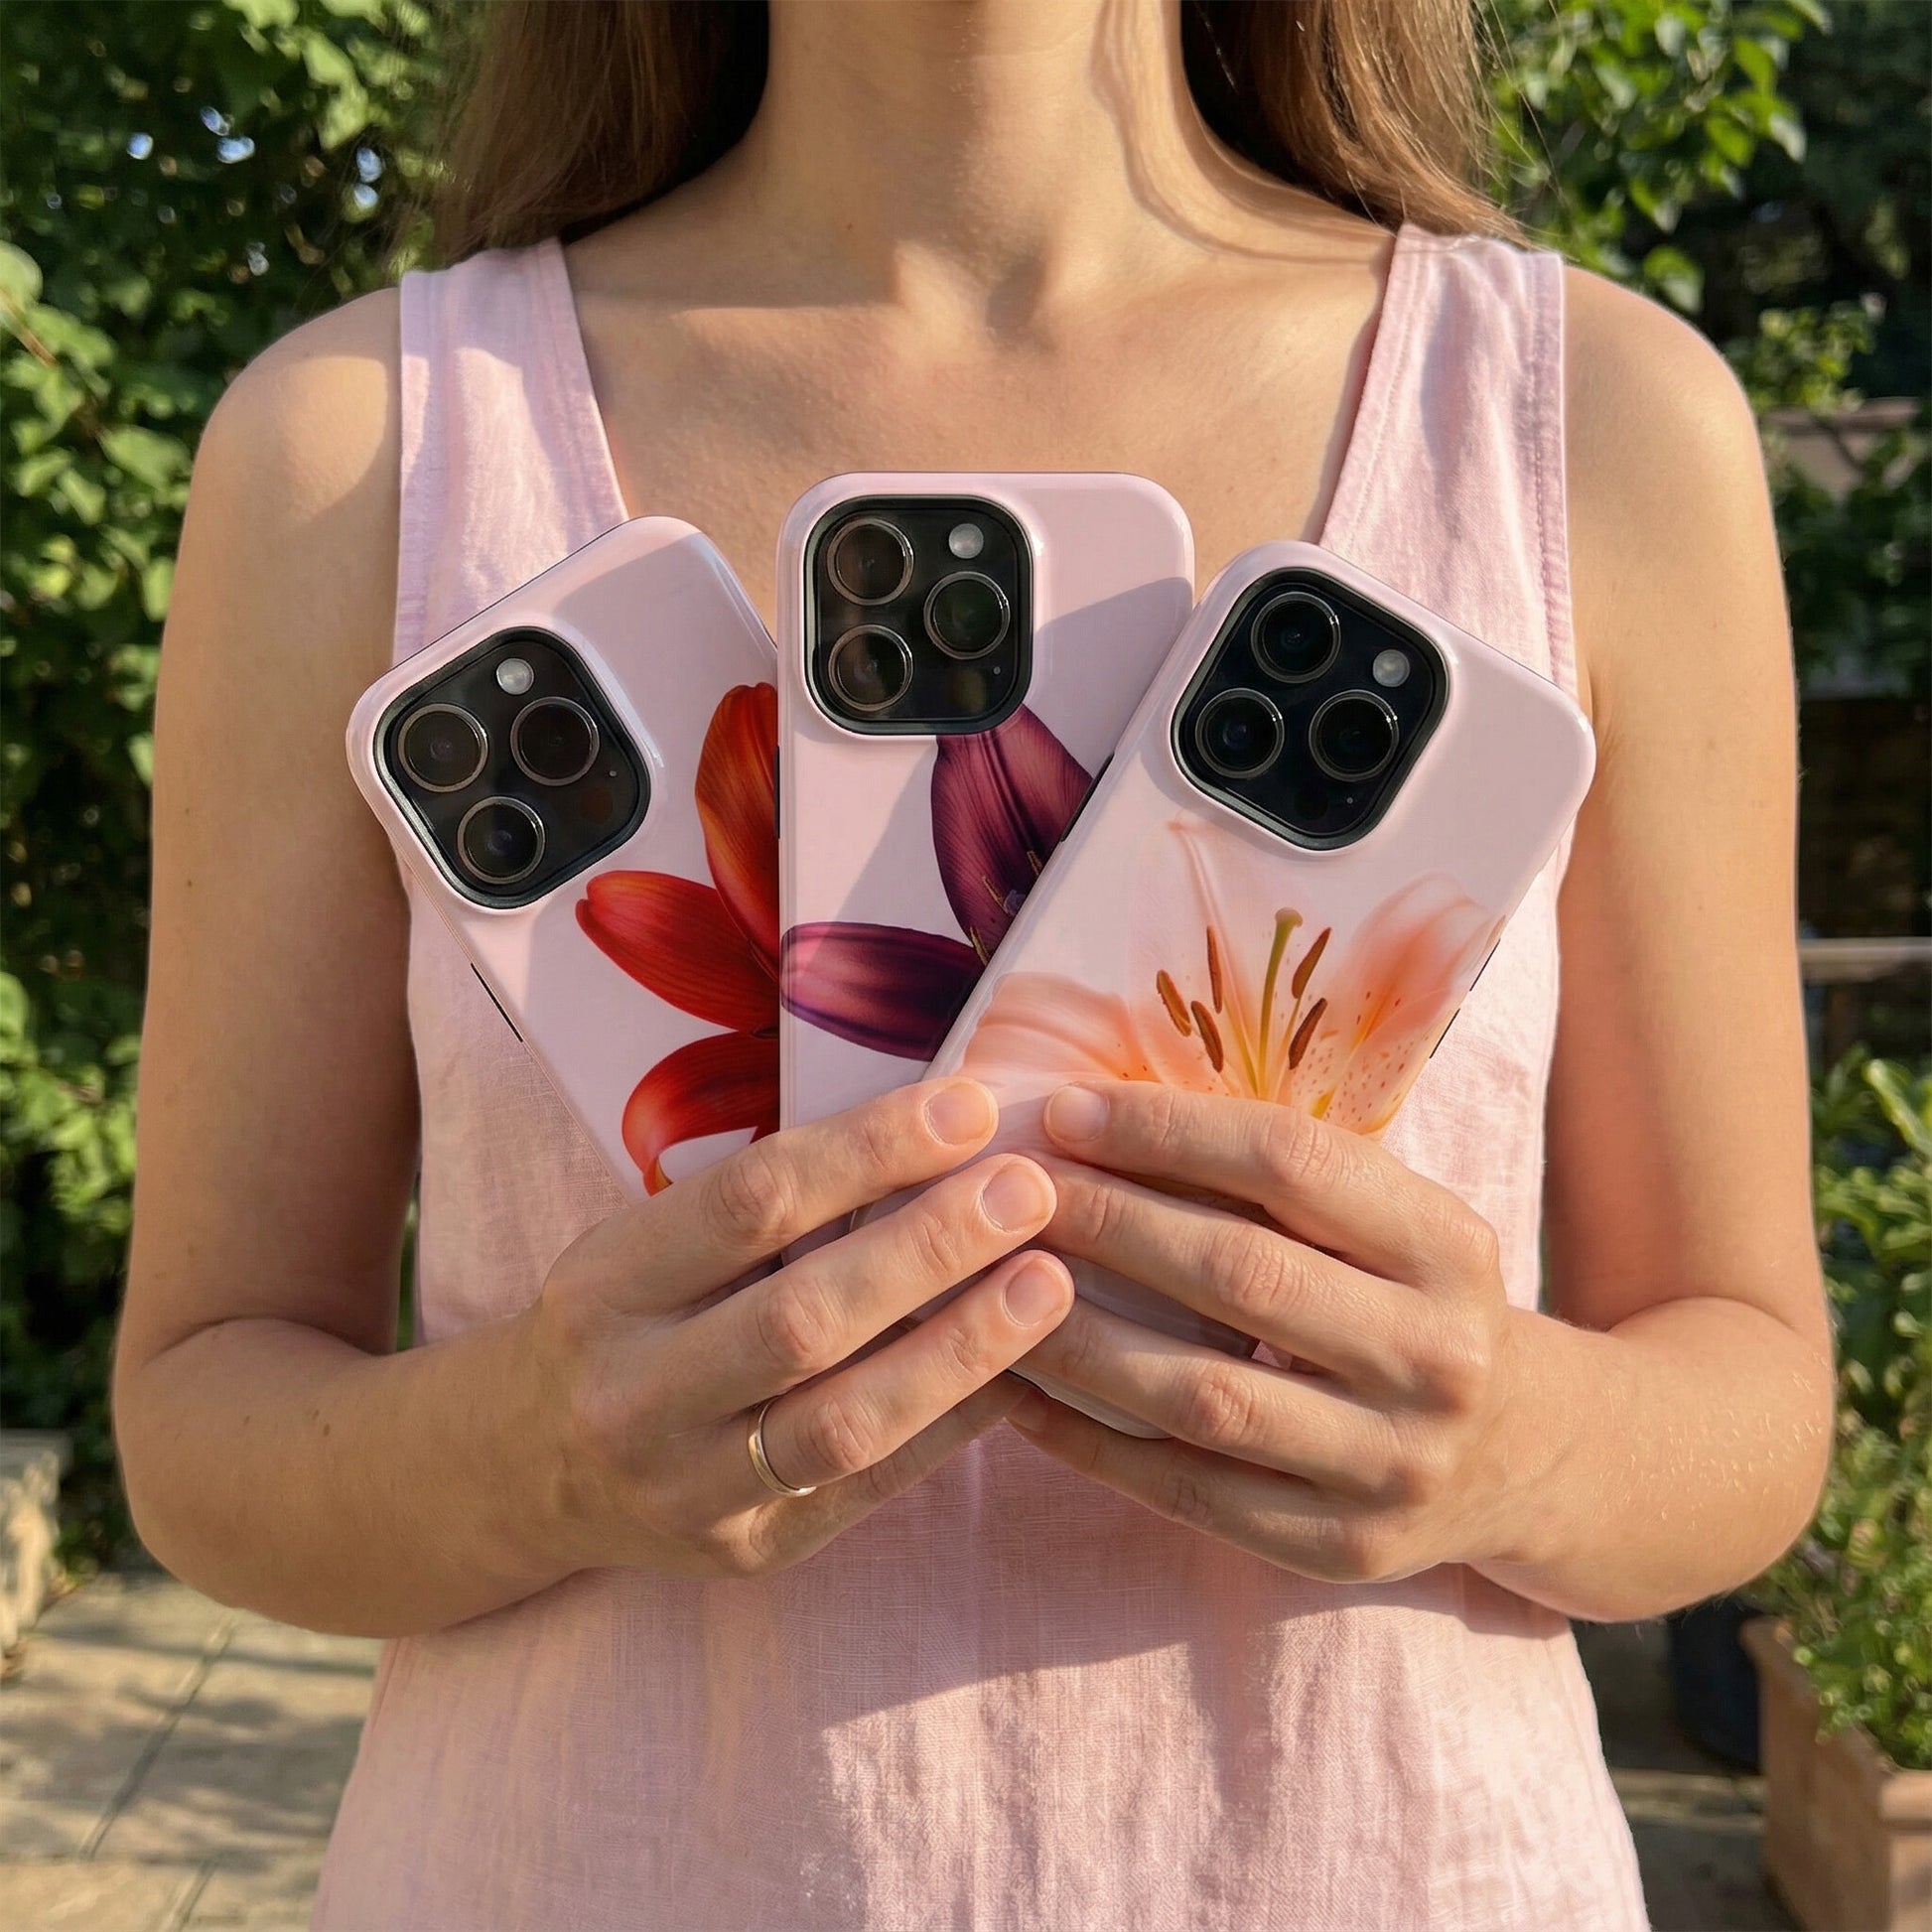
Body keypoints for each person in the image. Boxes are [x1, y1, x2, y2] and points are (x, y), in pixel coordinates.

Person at [113, 3, 1831, 1925]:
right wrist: (535, 1457)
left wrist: (1505, 1438)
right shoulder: (361, 451)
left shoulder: (1589, 424)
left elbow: (1745, 1396)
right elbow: (205, 1406)